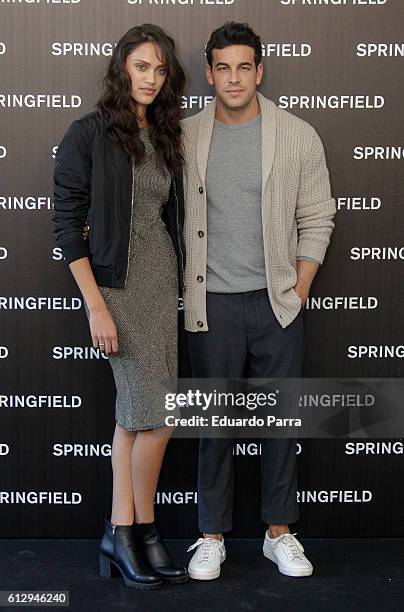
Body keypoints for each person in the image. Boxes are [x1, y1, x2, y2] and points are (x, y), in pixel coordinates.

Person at [182, 22, 336, 579]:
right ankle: (211, 536)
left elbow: (317, 216)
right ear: (209, 73)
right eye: (223, 67)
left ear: (260, 71)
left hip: (276, 304)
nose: (234, 78)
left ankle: (279, 533)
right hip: (210, 305)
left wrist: (298, 289)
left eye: (244, 66)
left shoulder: (296, 134)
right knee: (213, 426)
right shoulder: (183, 137)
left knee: (280, 423)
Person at [53, 24, 188, 589]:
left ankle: (127, 536)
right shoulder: (87, 134)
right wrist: (96, 308)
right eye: (141, 67)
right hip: (116, 287)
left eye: (159, 69)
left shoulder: (162, 133)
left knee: (135, 417)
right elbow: (67, 226)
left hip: (161, 281)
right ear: (120, 69)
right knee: (153, 417)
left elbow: (166, 216)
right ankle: (134, 529)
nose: (150, 79)